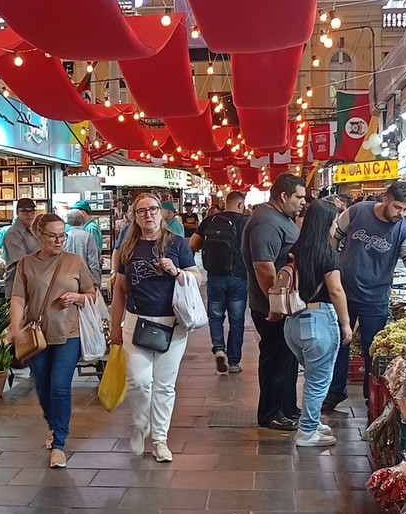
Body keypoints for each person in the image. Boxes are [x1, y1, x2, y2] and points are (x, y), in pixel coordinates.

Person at [324, 181, 406, 412]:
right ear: (385, 200)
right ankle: (335, 392)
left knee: (372, 348)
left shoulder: (403, 230)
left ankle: (369, 395)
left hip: (376, 296)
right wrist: (329, 268)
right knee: (340, 342)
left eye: (405, 210)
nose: (400, 214)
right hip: (343, 291)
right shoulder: (356, 211)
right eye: (397, 208)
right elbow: (334, 238)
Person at [110, 192, 198, 462]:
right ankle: (140, 424)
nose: (148, 215)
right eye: (141, 211)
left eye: (153, 209)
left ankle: (160, 439)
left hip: (172, 324)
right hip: (137, 322)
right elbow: (120, 288)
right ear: (134, 217)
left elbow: (197, 277)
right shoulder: (128, 246)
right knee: (138, 381)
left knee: (164, 385)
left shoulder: (177, 244)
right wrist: (115, 327)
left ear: (162, 212)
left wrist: (177, 271)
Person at [9, 214, 98, 468]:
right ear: (40, 235)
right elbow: (18, 298)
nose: (59, 240)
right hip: (36, 336)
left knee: (60, 386)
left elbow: (92, 293)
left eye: (62, 235)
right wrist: (16, 327)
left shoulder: (74, 262)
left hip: (69, 333)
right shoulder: (26, 265)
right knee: (43, 387)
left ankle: (59, 443)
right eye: (53, 236)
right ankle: (52, 423)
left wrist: (77, 298)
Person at [282, 199, 353, 446]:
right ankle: (307, 432)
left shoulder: (295, 249)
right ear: (325, 223)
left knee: (314, 376)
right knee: (317, 380)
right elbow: (336, 291)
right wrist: (346, 324)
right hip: (319, 322)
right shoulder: (327, 253)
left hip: (293, 323)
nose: (335, 225)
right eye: (334, 220)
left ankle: (310, 420)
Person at [241, 173, 308, 431]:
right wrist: (275, 305)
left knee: (288, 358)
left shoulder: (279, 218)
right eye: (299, 197)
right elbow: (262, 267)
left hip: (284, 305)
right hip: (271, 308)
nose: (303, 202)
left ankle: (287, 407)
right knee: (276, 359)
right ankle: (271, 413)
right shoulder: (267, 222)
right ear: (283, 196)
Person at [191, 190, 248, 373]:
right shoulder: (246, 223)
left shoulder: (211, 221)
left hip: (215, 276)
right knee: (237, 320)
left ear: (225, 202)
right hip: (239, 277)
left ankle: (219, 349)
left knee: (215, 316)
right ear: (241, 205)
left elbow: (192, 244)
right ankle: (233, 362)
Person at [2, 199, 40, 299]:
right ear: (17, 212)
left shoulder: (34, 231)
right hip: (19, 289)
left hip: (34, 286)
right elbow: (21, 263)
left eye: (32, 212)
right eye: (24, 211)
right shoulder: (13, 234)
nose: (29, 215)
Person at [63, 208, 102, 286]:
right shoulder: (88, 237)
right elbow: (93, 262)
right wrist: (96, 281)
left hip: (67, 277)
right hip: (84, 278)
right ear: (82, 220)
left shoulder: (64, 236)